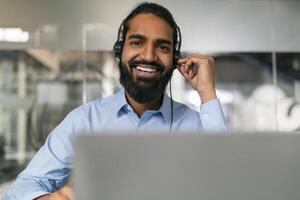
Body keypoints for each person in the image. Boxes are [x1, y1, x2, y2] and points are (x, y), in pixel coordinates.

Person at [4, 2, 227, 200]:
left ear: (175, 59)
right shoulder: (85, 121)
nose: (149, 56)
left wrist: (207, 93)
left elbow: (229, 185)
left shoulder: (196, 126)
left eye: (162, 47)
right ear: (120, 52)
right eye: (137, 42)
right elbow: (23, 187)